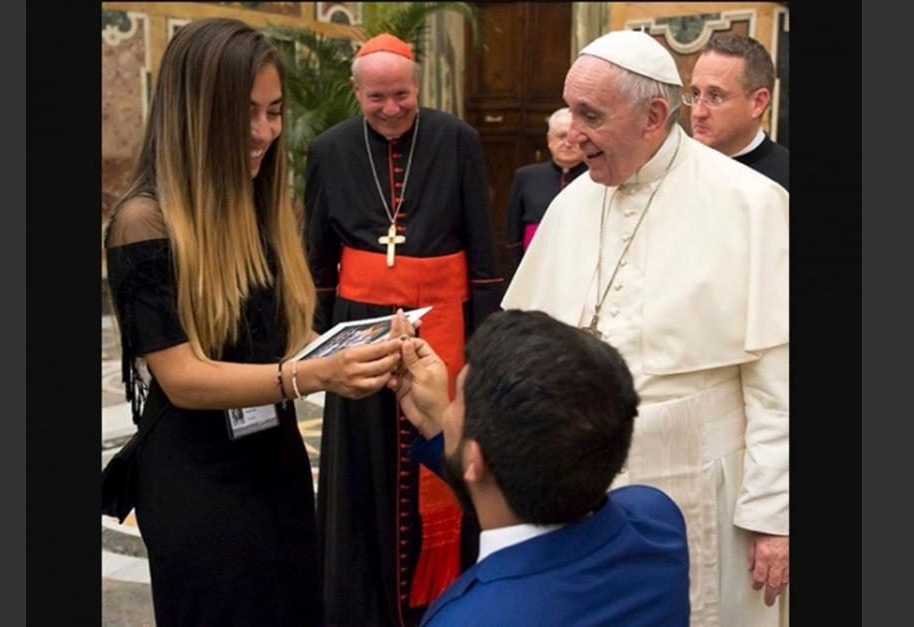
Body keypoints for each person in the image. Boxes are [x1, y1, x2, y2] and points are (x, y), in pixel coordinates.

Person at [104, 18, 405, 626]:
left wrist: (367, 348)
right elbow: (183, 378)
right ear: (195, 114)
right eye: (245, 113)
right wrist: (309, 376)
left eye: (274, 111)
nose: (265, 132)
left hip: (276, 460)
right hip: (197, 480)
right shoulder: (144, 220)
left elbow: (282, 335)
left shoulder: (261, 203)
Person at [502, 30, 789, 627]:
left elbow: (778, 382)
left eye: (591, 116)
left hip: (703, 480)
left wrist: (773, 515)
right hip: (584, 482)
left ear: (654, 116)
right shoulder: (570, 204)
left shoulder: (751, 202)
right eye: (570, 110)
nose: (572, 132)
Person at [304, 32, 503, 627]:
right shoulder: (329, 150)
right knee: (363, 471)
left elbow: (483, 249)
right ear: (356, 92)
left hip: (444, 324)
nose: (391, 109)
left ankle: (442, 603)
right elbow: (318, 258)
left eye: (402, 95)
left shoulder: (458, 140)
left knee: (445, 451)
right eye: (377, 98)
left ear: (418, 86)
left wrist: (484, 341)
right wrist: (318, 340)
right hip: (359, 327)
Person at [387, 310, 690, 626]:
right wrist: (443, 427)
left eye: (456, 400)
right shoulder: (656, 522)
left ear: (475, 460)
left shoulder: (465, 618)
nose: (448, 409)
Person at [688, 34, 789, 190]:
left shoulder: (783, 181)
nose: (698, 113)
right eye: (695, 94)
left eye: (715, 97)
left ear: (758, 103)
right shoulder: (677, 169)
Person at [504, 108, 587, 276]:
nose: (568, 143)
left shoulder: (599, 178)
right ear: (549, 140)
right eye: (562, 136)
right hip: (535, 268)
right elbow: (513, 233)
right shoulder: (526, 176)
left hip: (582, 267)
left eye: (574, 137)